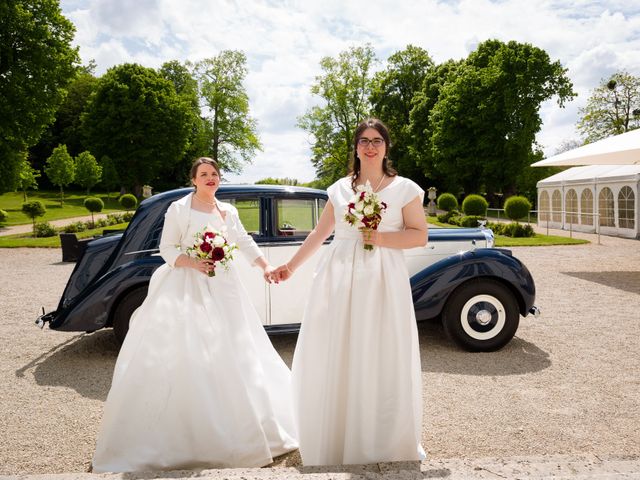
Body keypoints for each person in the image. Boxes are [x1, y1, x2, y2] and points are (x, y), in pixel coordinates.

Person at [92, 157, 298, 473]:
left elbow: (242, 241)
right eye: (204, 174)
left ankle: (248, 422)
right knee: (193, 352)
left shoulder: (227, 211)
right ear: (194, 180)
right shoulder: (180, 209)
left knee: (237, 348)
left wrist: (265, 266)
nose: (210, 178)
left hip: (226, 287)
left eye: (214, 174)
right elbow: (167, 248)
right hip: (188, 285)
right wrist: (194, 262)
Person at [273, 118, 428, 466]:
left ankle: (378, 436)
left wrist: (382, 238)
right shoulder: (340, 189)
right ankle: (337, 435)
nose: (370, 146)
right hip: (339, 277)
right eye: (364, 141)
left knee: (379, 349)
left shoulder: (405, 188)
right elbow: (318, 234)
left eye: (377, 140)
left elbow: (419, 235)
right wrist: (290, 266)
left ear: (386, 147)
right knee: (339, 349)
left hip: (383, 280)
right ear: (356, 148)